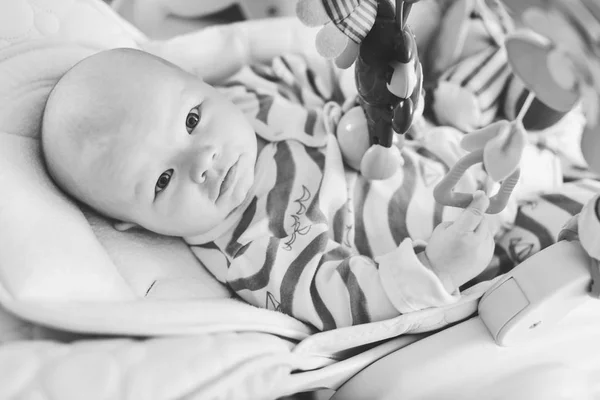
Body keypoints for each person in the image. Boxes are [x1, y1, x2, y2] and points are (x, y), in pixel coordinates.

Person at [42, 47, 504, 331]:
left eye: (191, 120)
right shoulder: (251, 251)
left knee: (492, 70)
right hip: (469, 247)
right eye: (163, 181)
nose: (201, 161)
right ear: (134, 222)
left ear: (199, 81)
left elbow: (317, 72)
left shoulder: (249, 93)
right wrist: (436, 270)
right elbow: (343, 301)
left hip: (447, 155)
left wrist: (361, 105)